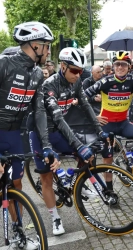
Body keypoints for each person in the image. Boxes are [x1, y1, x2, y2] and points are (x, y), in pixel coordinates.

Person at [29, 47, 109, 236]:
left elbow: (86, 105)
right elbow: (58, 118)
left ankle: (79, 185)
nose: (78, 74)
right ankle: (55, 217)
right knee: (47, 178)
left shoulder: (77, 81)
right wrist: (78, 145)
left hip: (59, 130)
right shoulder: (49, 85)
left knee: (86, 154)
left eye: (81, 71)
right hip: (42, 133)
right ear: (63, 67)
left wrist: (100, 131)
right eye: (74, 70)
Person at [0, 21, 58, 249]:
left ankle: (18, 229)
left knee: (15, 184)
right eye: (47, 46)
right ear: (35, 45)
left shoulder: (36, 74)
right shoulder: (4, 64)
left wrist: (46, 146)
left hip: (14, 134)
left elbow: (40, 111)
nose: (48, 51)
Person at [85, 50, 133, 167]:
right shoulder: (105, 81)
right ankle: (109, 186)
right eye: (117, 64)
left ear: (129, 67)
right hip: (106, 125)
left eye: (123, 64)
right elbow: (83, 97)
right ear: (113, 66)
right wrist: (94, 118)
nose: (120, 67)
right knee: (108, 160)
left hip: (124, 123)